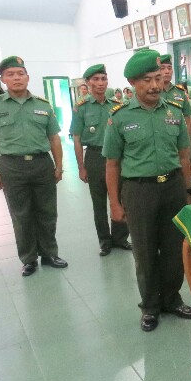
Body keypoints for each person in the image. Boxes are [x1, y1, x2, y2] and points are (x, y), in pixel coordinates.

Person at [103, 49, 191, 332]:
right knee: (144, 253)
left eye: (158, 78)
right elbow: (112, 165)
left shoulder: (174, 112)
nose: (155, 85)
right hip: (139, 191)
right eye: (147, 80)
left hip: (172, 188)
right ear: (133, 82)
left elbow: (184, 156)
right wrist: (115, 203)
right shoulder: (119, 117)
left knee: (174, 250)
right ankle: (150, 306)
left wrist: (188, 192)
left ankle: (172, 299)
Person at [0, 55, 68, 276]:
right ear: (3, 80)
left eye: (20, 74)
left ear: (27, 77)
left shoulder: (43, 105)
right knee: (21, 215)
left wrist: (59, 166)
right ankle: (28, 259)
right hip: (12, 166)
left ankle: (49, 253)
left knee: (47, 212)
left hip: (41, 164)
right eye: (10, 74)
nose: (16, 78)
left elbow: (54, 138)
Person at [70, 64, 131, 256]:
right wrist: (81, 167)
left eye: (103, 79)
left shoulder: (117, 105)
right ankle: (105, 241)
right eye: (95, 79)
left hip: (117, 158)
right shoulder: (81, 108)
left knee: (120, 198)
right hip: (95, 157)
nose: (100, 83)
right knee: (99, 203)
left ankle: (120, 238)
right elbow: (77, 139)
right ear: (88, 83)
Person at [158, 55, 191, 180]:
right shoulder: (154, 92)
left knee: (180, 173)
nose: (167, 71)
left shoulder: (179, 92)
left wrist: (187, 138)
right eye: (163, 68)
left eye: (169, 68)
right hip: (158, 140)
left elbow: (187, 117)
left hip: (177, 141)